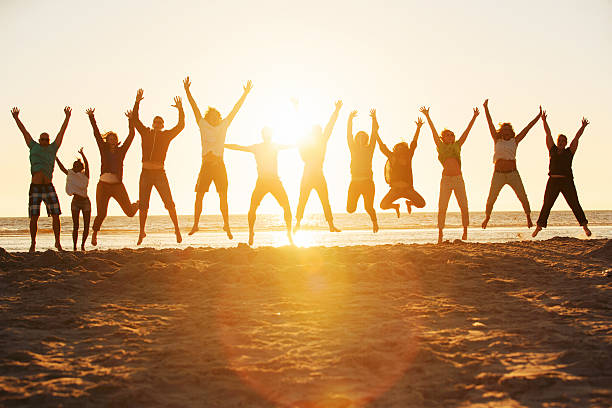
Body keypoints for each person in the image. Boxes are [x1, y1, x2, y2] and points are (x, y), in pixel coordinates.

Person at [183, 76, 252, 239]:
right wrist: (187, 91)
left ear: (219, 117)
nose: (214, 119)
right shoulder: (203, 124)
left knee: (223, 196)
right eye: (211, 116)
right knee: (199, 196)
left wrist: (245, 94)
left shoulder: (223, 126)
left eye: (216, 116)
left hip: (219, 165)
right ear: (208, 118)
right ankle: (196, 225)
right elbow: (195, 108)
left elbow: (235, 110)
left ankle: (226, 225)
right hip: (206, 166)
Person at [11, 106, 71, 252]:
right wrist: (16, 118)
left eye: (46, 139)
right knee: (34, 216)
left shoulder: (53, 148)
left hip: (49, 186)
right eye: (42, 139)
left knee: (56, 215)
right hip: (35, 187)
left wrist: (67, 117)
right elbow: (24, 132)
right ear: (39, 140)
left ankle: (58, 242)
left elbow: (61, 133)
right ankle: (33, 243)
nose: (44, 141)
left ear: (49, 140)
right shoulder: (33, 146)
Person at [131, 88, 185, 245]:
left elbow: (181, 125)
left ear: (162, 125)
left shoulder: (166, 135)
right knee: (143, 204)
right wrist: (137, 102)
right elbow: (135, 120)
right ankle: (141, 232)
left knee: (169, 202)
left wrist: (180, 109)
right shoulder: (145, 132)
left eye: (160, 122)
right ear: (153, 123)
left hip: (160, 173)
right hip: (145, 173)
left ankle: (177, 229)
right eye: (155, 121)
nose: (157, 124)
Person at [225, 127, 294, 246]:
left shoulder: (275, 146)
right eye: (265, 134)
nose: (267, 136)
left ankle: (289, 233)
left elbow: (289, 146)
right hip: (262, 182)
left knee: (286, 207)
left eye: (269, 134)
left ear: (271, 135)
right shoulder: (257, 147)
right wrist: (223, 144)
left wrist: (303, 142)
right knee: (252, 208)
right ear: (262, 135)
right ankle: (251, 233)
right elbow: (239, 147)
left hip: (275, 181)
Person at [420, 106, 479, 244]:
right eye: (448, 135)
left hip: (458, 179)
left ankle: (465, 230)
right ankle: (440, 233)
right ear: (443, 138)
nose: (451, 136)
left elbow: (466, 132)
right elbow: (434, 133)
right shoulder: (441, 146)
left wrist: (474, 117)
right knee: (442, 206)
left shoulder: (458, 145)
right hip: (446, 179)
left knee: (464, 205)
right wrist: (428, 116)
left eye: (452, 135)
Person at [482, 99, 541, 229]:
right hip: (498, 174)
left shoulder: (515, 140)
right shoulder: (496, 139)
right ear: (501, 132)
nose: (506, 131)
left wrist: (538, 116)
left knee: (522, 196)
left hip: (513, 173)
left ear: (511, 132)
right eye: (504, 130)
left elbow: (528, 128)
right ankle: (487, 217)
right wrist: (486, 108)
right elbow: (490, 124)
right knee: (491, 197)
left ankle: (528, 218)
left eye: (508, 130)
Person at [532, 111, 591, 238]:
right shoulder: (552, 150)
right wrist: (544, 121)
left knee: (574, 203)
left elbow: (576, 138)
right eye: (560, 140)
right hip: (553, 181)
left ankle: (585, 226)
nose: (562, 142)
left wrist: (583, 127)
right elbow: (548, 134)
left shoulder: (569, 152)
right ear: (557, 141)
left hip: (567, 181)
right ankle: (539, 227)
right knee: (547, 203)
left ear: (566, 143)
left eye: (564, 141)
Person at [87, 108, 139, 246]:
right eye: (110, 138)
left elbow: (131, 135)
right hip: (103, 186)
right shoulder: (103, 149)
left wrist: (130, 120)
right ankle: (94, 235)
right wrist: (91, 117)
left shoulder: (121, 151)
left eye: (114, 138)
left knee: (130, 212)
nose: (112, 140)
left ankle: (138, 204)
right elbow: (96, 134)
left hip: (117, 186)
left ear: (116, 141)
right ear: (107, 140)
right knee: (101, 214)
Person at [294, 100, 343, 232]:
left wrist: (336, 111)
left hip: (316, 174)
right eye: (318, 131)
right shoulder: (311, 140)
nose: (320, 133)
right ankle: (298, 224)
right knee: (304, 199)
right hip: (310, 173)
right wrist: (296, 107)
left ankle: (331, 226)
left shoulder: (321, 140)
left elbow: (330, 125)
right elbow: (300, 125)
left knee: (323, 200)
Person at [375, 112, 426, 219]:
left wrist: (418, 128)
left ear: (405, 149)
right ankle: (396, 206)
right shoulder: (393, 157)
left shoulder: (408, 156)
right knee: (383, 205)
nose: (400, 149)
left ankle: (409, 203)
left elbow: (413, 144)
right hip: (395, 190)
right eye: (398, 148)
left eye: (402, 148)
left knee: (421, 203)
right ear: (395, 150)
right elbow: (382, 147)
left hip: (408, 189)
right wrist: (375, 133)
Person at [346, 109, 379, 232]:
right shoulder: (353, 149)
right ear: (356, 139)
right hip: (354, 182)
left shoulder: (369, 149)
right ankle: (372, 220)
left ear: (365, 139)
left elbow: (374, 134)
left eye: (363, 137)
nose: (360, 139)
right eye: (358, 137)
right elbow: (348, 135)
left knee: (368, 207)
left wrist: (374, 118)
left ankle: (375, 223)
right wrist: (350, 119)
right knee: (350, 209)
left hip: (367, 183)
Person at [55, 148, 90, 251]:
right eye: (74, 165)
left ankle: (83, 246)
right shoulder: (71, 174)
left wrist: (83, 155)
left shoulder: (85, 175)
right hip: (75, 202)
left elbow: (87, 165)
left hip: (85, 202)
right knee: (76, 225)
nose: (75, 167)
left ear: (81, 167)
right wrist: (56, 158)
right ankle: (75, 246)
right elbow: (62, 168)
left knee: (86, 225)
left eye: (77, 165)